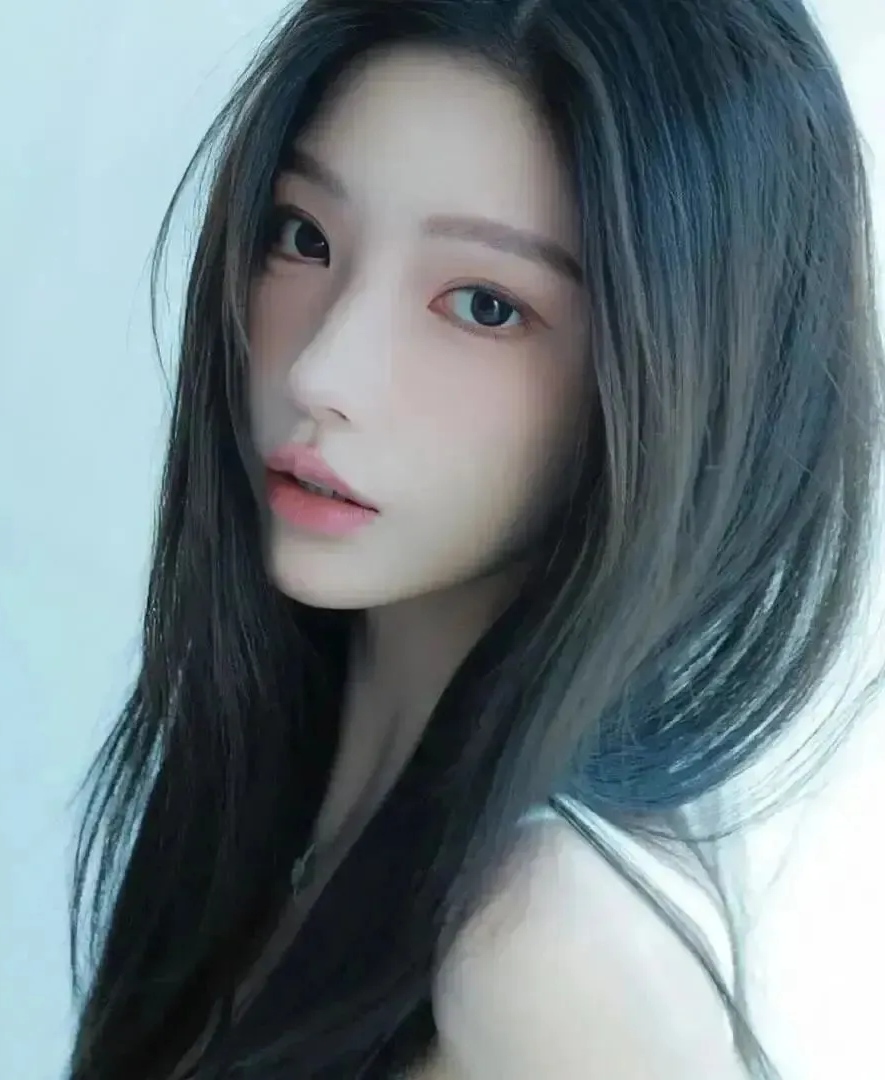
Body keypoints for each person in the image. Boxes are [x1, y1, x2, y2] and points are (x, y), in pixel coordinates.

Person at [67, 1, 885, 1077]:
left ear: (687, 381)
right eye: (304, 237)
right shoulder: (282, 793)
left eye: (485, 305)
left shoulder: (548, 951)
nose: (322, 372)